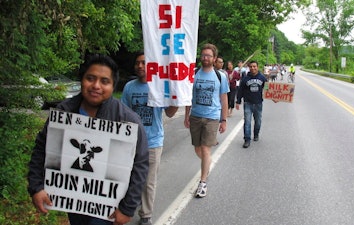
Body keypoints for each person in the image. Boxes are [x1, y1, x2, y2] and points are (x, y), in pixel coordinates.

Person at [27, 54, 149, 225]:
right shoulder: (64, 112)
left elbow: (140, 164)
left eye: (104, 81)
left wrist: (128, 208)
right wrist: (36, 187)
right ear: (82, 80)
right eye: (90, 78)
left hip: (108, 209)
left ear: (113, 86)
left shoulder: (128, 121)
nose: (96, 86)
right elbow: (42, 148)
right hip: (73, 203)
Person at [121, 51, 178, 225]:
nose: (139, 66)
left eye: (143, 62)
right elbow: (124, 113)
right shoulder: (129, 87)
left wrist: (175, 101)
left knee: (148, 181)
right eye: (137, 63)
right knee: (130, 177)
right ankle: (132, 201)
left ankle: (145, 215)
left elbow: (169, 113)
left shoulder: (159, 87)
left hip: (153, 141)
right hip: (132, 141)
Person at [184, 43, 229, 198]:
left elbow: (224, 99)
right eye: (203, 55)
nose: (205, 58)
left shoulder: (220, 76)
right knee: (197, 149)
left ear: (214, 58)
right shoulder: (194, 74)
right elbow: (189, 97)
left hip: (212, 117)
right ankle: (207, 164)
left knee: (205, 149)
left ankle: (202, 183)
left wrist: (223, 120)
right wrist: (186, 115)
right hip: (195, 115)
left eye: (208, 56)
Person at [235, 60, 267, 148]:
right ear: (249, 67)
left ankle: (256, 134)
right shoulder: (245, 79)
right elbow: (240, 90)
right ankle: (247, 139)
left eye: (254, 66)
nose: (253, 68)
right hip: (248, 103)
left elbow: (268, 89)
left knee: (258, 122)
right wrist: (238, 101)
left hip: (258, 103)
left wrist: (274, 98)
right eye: (251, 66)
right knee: (247, 122)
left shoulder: (262, 78)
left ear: (257, 67)